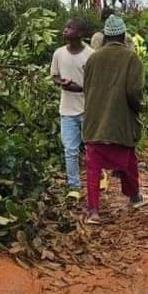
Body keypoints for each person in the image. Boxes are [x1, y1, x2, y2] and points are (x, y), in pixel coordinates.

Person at [83, 15, 148, 223]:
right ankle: (135, 197)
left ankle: (93, 211)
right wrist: (141, 106)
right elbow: (134, 91)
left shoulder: (93, 58)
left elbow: (86, 88)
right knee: (128, 162)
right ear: (123, 36)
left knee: (94, 167)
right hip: (120, 122)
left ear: (105, 36)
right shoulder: (131, 58)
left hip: (94, 123)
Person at [50, 19, 94, 190]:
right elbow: (54, 75)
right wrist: (61, 82)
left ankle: (95, 181)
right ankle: (74, 186)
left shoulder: (91, 55)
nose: (65, 30)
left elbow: (95, 84)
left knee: (92, 149)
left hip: (87, 109)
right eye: (66, 27)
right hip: (67, 110)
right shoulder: (58, 54)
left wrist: (78, 88)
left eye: (70, 28)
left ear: (80, 34)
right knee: (70, 150)